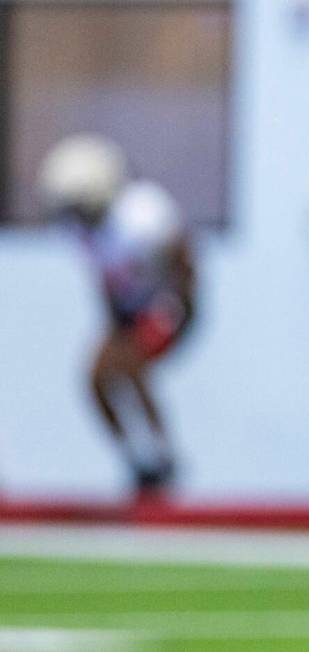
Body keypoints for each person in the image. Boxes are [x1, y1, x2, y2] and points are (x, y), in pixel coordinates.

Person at [37, 133, 196, 497]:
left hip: (166, 303)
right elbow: (103, 282)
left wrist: (177, 309)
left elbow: (185, 262)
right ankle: (138, 460)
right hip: (128, 311)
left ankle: (164, 456)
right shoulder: (82, 232)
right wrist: (113, 323)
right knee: (95, 377)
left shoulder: (144, 217)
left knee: (129, 365)